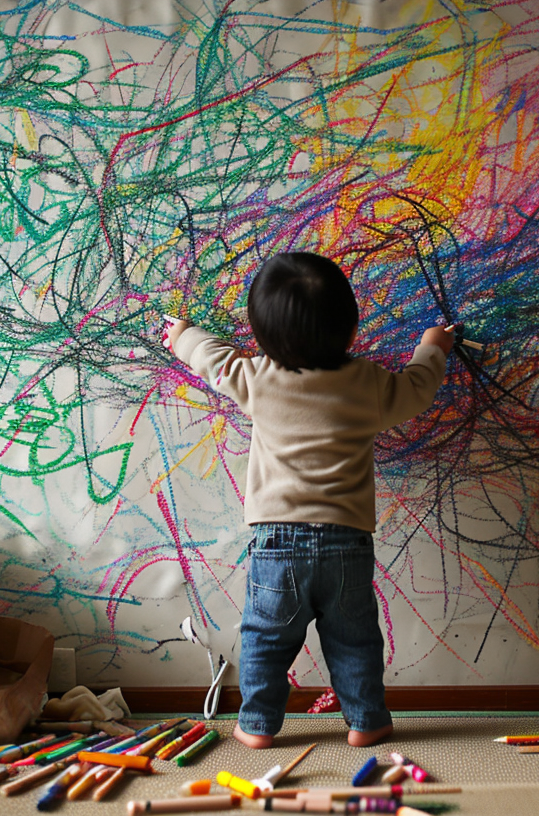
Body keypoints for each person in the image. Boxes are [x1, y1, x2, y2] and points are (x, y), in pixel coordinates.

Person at [164, 251, 455, 748]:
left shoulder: (256, 378)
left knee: (265, 639)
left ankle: (257, 726)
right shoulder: (369, 383)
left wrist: (181, 334)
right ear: (350, 331)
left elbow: (210, 359)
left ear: (261, 338)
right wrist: (432, 348)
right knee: (354, 640)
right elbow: (417, 390)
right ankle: (366, 721)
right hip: (347, 544)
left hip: (277, 544)